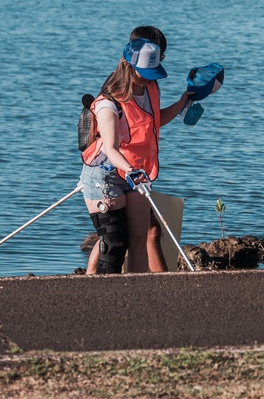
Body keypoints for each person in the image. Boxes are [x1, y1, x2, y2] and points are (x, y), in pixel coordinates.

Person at [80, 26, 190, 274]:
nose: (148, 77)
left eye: (152, 72)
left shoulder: (151, 88)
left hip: (136, 173)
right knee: (114, 244)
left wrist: (183, 101)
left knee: (139, 240)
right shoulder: (109, 102)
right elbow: (110, 147)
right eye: (143, 73)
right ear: (128, 65)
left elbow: (154, 121)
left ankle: (137, 293)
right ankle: (95, 291)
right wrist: (130, 170)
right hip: (106, 176)